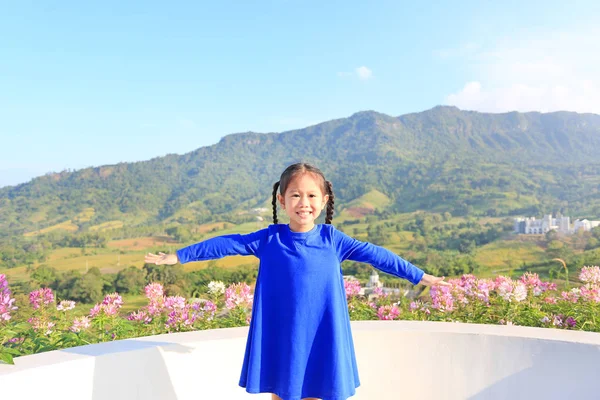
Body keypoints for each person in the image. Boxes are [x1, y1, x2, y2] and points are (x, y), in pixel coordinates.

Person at [145, 162, 449, 400]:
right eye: (295, 195)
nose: (304, 202)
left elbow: (377, 256)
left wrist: (421, 276)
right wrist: (178, 256)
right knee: (281, 392)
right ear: (282, 199)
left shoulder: (333, 240)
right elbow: (226, 244)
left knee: (317, 391)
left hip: (320, 333)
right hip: (282, 333)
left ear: (324, 199)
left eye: (311, 195)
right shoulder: (269, 239)